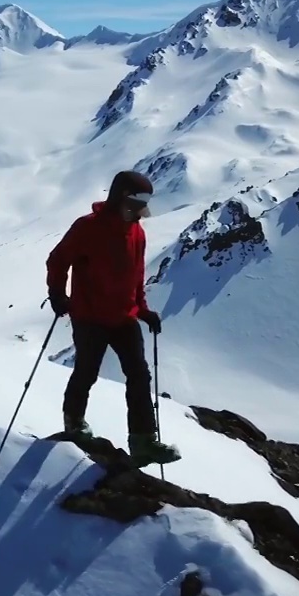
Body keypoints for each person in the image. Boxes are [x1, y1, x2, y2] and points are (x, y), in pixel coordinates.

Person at [45, 170, 182, 466]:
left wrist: (142, 309)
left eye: (140, 210)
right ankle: (75, 425)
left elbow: (136, 277)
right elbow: (58, 259)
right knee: (86, 371)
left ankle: (144, 440)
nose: (138, 216)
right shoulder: (88, 228)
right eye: (134, 208)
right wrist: (57, 293)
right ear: (118, 199)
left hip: (123, 317)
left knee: (139, 375)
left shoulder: (137, 232)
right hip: (90, 315)